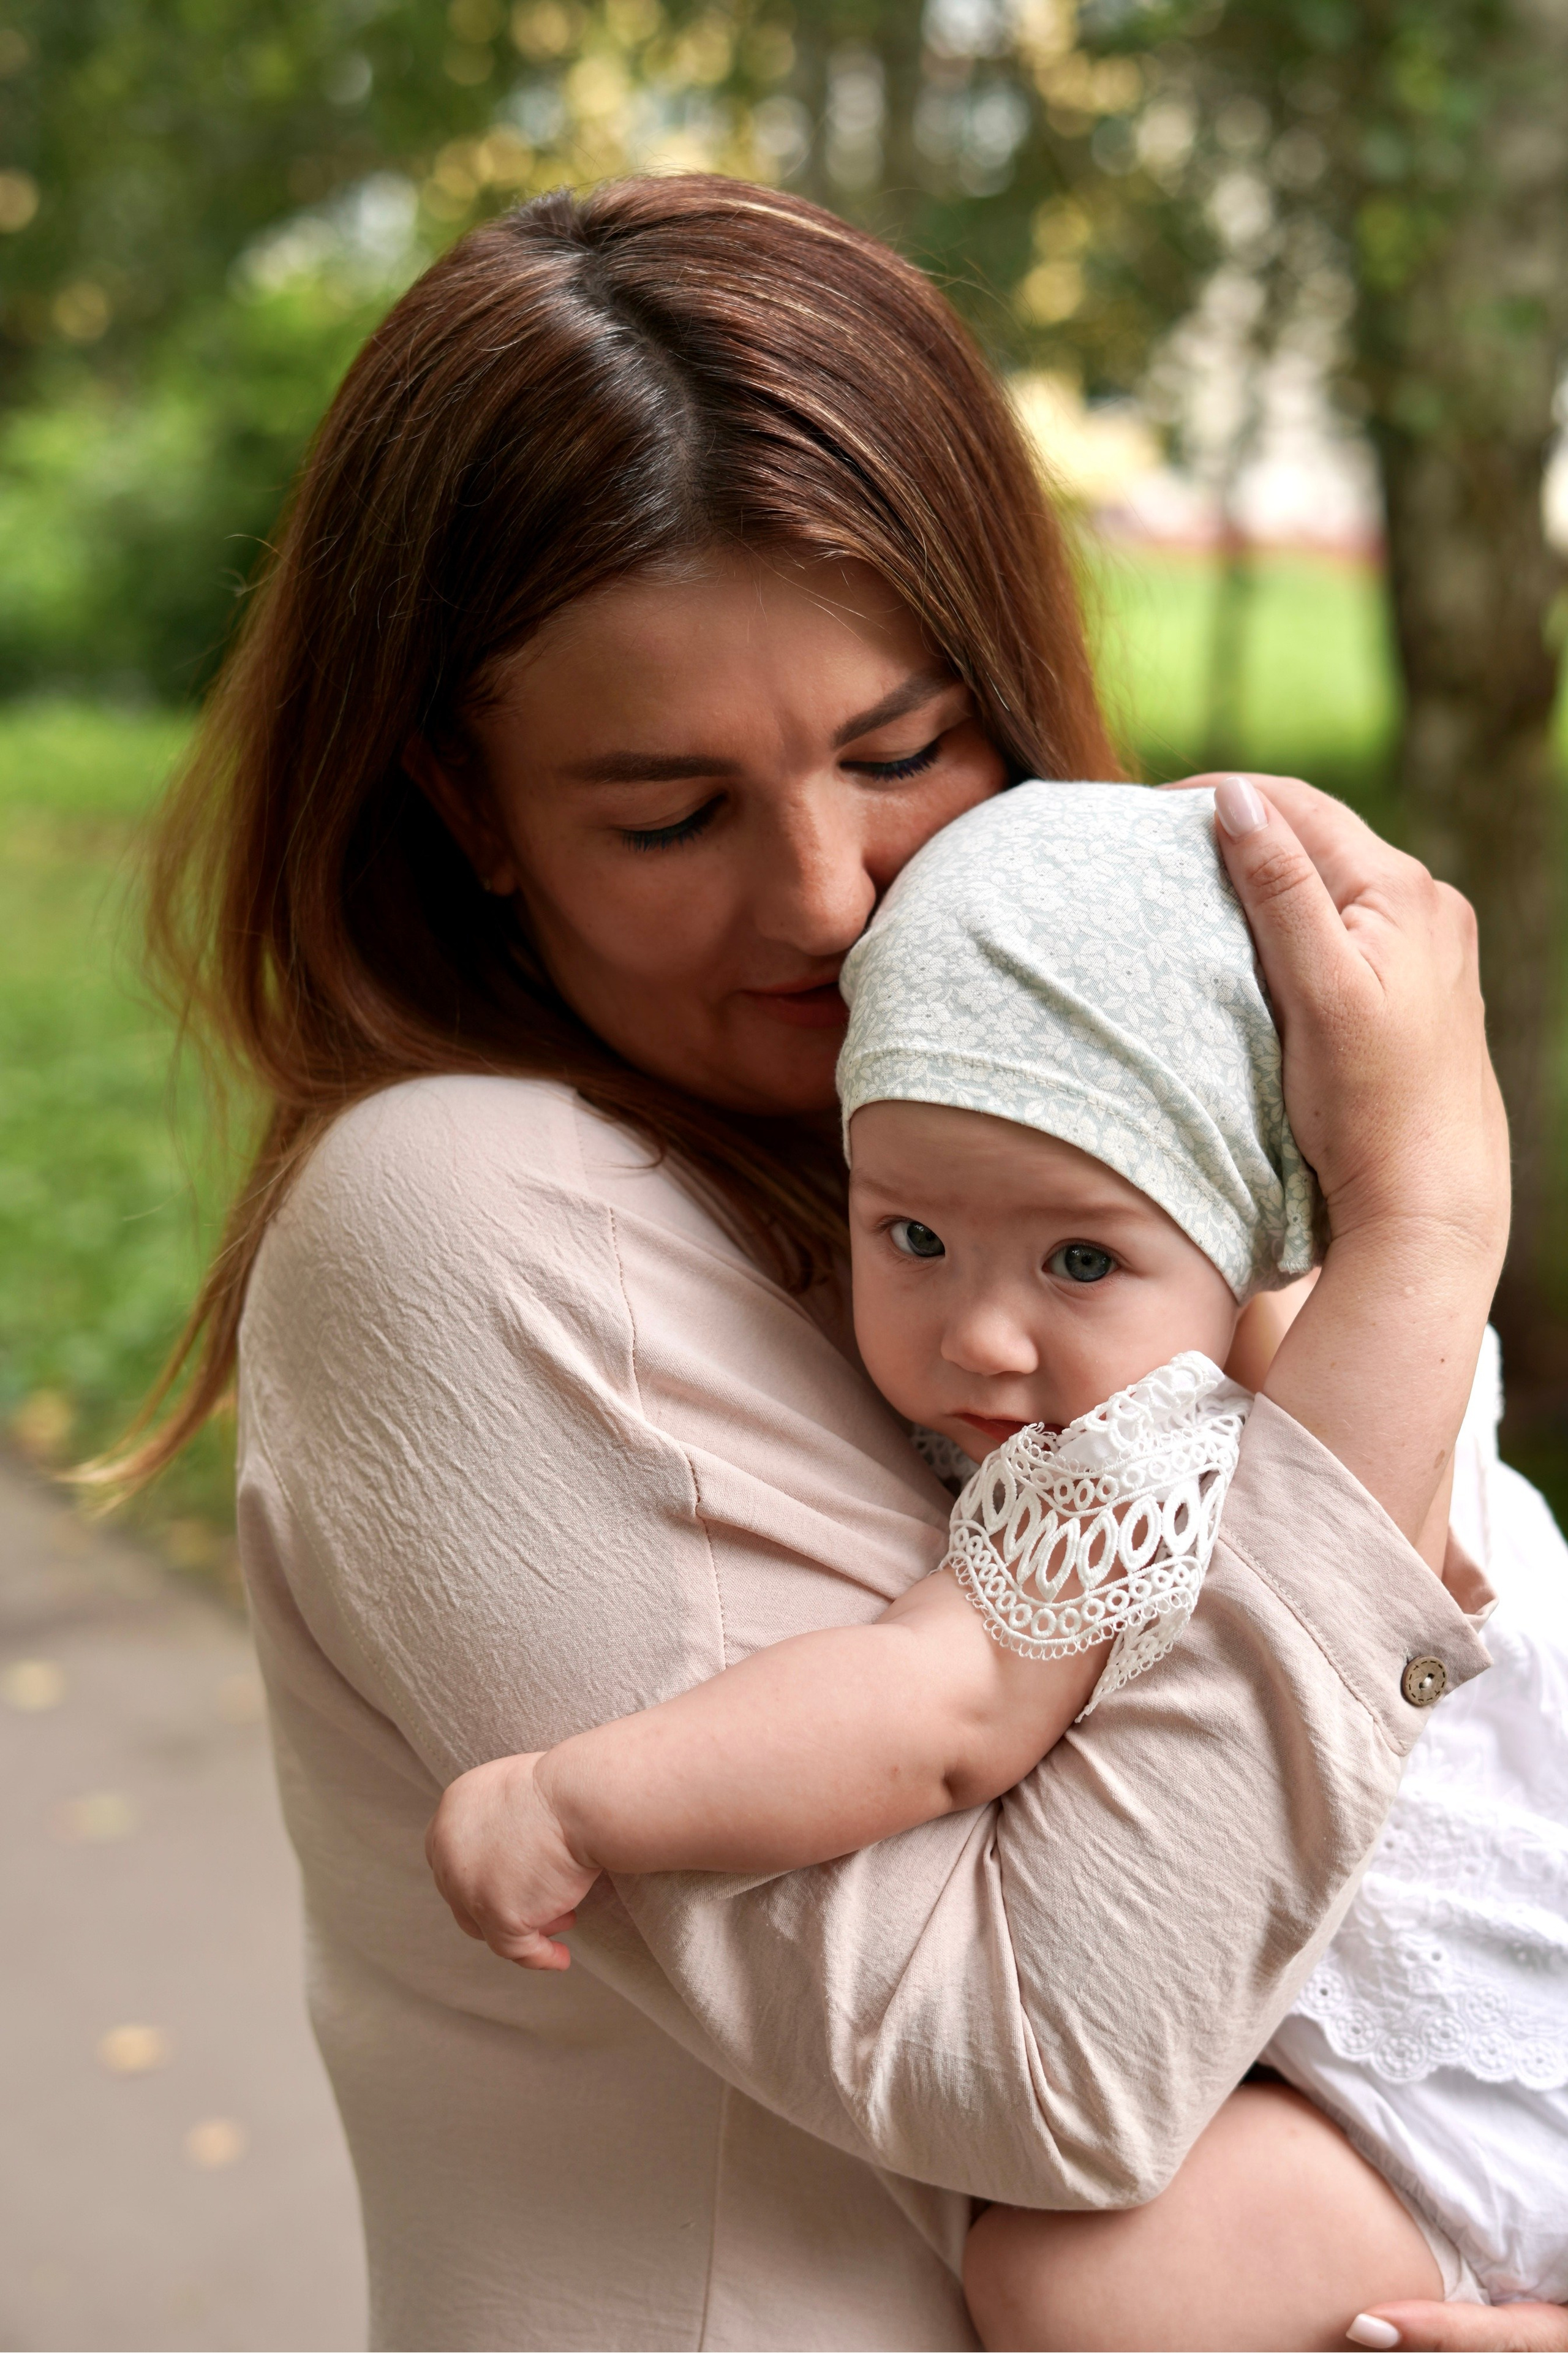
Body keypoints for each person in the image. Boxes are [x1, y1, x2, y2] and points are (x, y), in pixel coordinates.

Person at [100, 175, 1547, 2351]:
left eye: (902, 752)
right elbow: (1051, 2072)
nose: (830, 903)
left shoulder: (1113, 1201)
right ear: (467, 807)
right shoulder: (463, 1212)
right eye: (670, 813)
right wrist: (1430, 1236)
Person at [426, 782, 1567, 2351]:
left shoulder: (1144, 1450)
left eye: (1079, 1259)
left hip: (1442, 2087)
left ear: (1252, 1226)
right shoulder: (1395, 1340)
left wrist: (581, 1797)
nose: (978, 1331)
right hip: (1497, 2024)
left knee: (1070, 2290)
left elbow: (929, 1707)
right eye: (910, 1238)